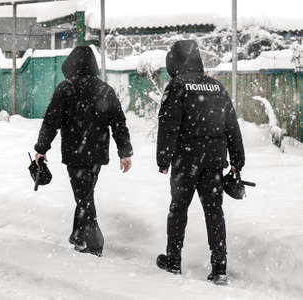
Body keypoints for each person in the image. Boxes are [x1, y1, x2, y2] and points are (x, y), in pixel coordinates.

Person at [156, 40, 245, 284]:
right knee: (214, 212)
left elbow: (168, 124)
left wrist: (163, 158)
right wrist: (238, 160)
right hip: (214, 161)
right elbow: (231, 126)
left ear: (175, 61)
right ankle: (220, 267)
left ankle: (173, 260)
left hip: (186, 160)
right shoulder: (217, 87)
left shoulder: (177, 86)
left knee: (178, 209)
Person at [34, 46, 133, 257]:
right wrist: (124, 151)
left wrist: (41, 148)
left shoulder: (65, 88)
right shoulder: (105, 89)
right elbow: (119, 123)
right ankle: (78, 236)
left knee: (84, 197)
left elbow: (51, 121)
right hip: (97, 154)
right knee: (85, 194)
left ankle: (94, 244)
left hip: (74, 153)